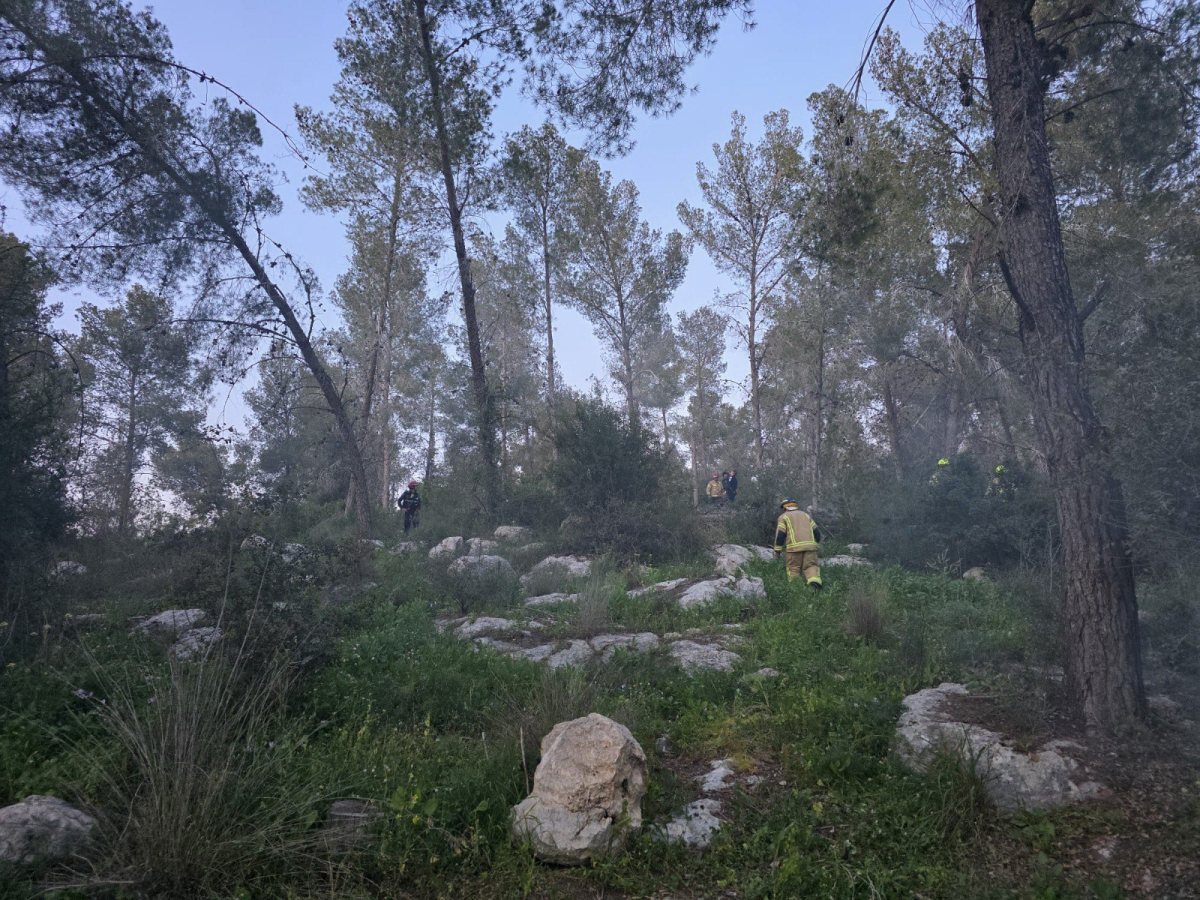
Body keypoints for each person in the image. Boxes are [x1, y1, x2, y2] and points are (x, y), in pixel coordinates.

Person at [773, 498, 822, 589]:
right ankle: (814, 586)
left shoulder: (783, 517)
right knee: (811, 567)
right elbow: (817, 532)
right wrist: (816, 543)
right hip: (810, 547)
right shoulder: (806, 515)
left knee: (793, 569)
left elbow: (780, 535)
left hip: (794, 549)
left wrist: (777, 551)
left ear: (784, 508)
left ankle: (797, 590)